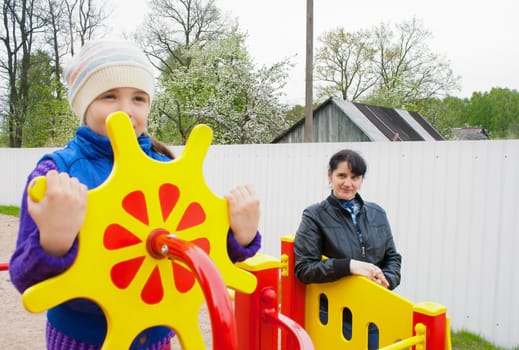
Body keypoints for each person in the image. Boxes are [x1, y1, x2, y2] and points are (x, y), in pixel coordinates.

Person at [9, 39, 261, 350]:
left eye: (139, 98)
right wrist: (55, 241)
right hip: (85, 342)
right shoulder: (57, 174)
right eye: (109, 96)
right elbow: (24, 278)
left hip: (156, 339)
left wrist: (241, 238)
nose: (125, 110)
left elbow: (199, 253)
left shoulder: (168, 169)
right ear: (83, 104)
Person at [294, 149, 401, 349]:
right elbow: (304, 269)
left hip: (374, 310)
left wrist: (387, 280)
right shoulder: (314, 215)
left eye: (355, 177)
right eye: (342, 175)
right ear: (330, 176)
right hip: (335, 315)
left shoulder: (377, 213)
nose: (348, 183)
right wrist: (349, 266)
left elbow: (392, 257)